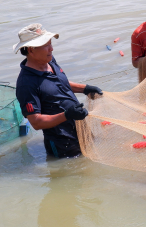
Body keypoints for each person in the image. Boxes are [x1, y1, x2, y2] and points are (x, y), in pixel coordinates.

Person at [14, 23, 102, 158]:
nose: (52, 49)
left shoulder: (49, 60)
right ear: (31, 50)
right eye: (46, 45)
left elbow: (59, 83)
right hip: (62, 143)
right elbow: (36, 122)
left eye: (50, 43)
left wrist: (85, 89)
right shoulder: (26, 84)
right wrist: (66, 115)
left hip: (80, 129)